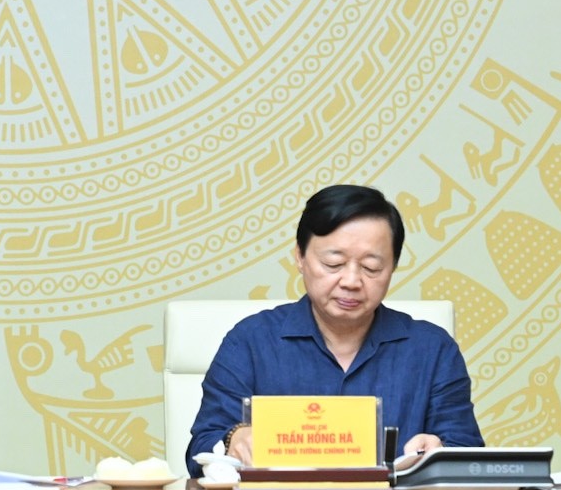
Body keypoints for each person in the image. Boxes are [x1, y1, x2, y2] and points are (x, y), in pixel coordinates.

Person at [187, 184, 483, 475]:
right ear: (300, 257)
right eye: (334, 263)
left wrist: (439, 452)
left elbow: (469, 457)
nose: (351, 281)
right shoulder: (250, 341)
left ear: (393, 267)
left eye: (371, 267)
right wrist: (233, 439)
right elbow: (199, 452)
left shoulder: (432, 350)